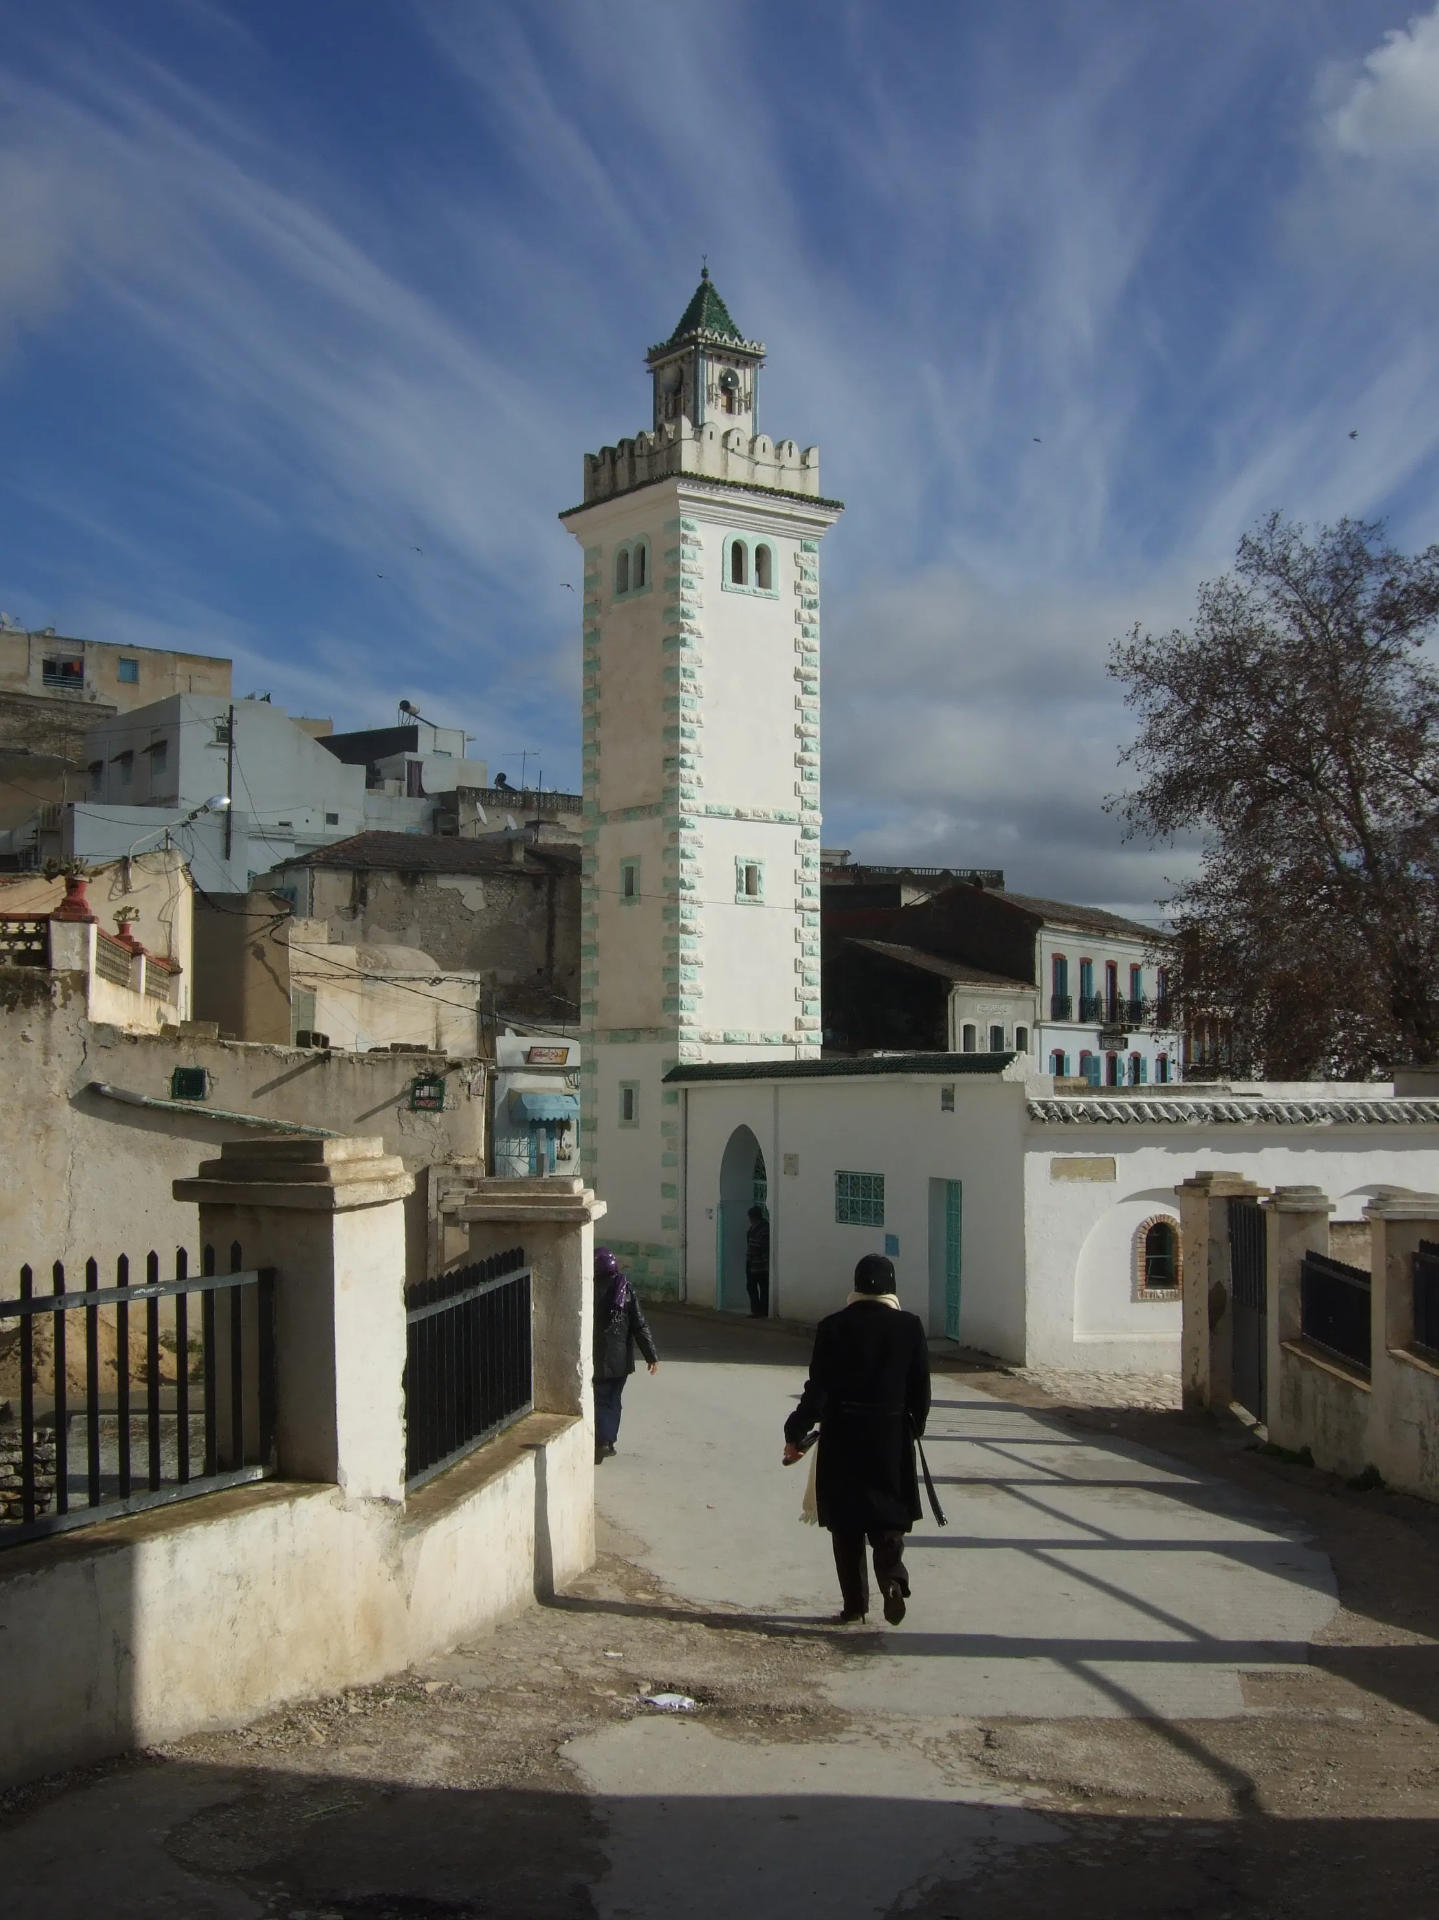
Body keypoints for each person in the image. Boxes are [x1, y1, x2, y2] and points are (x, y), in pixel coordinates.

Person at [782, 1253, 930, 1626]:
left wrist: (795, 1433)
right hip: (890, 1437)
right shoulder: (910, 1327)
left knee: (847, 1526)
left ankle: (854, 1607)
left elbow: (817, 1391)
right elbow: (920, 1393)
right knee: (886, 1520)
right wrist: (911, 1429)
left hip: (843, 1436)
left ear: (856, 1286)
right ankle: (893, 1579)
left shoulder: (833, 1327)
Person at [592, 1246, 658, 1465]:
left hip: (594, 1356)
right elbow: (639, 1325)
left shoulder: (587, 1287)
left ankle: (601, 1440)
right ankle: (607, 1441)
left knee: (600, 1399)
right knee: (612, 1400)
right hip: (619, 1360)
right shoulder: (625, 1287)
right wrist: (651, 1356)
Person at [745, 1205, 771, 1318]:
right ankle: (765, 1310)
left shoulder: (755, 1229)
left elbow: (754, 1246)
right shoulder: (766, 1226)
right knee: (764, 1287)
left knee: (752, 1287)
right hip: (765, 1264)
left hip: (756, 1264)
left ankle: (757, 1311)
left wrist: (749, 1258)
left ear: (751, 1217)